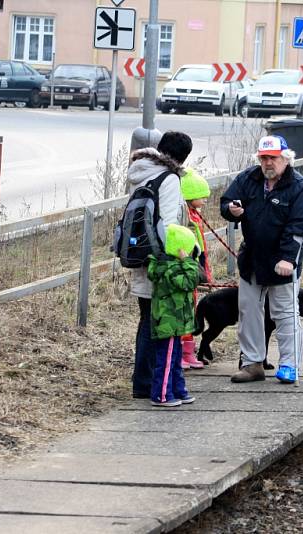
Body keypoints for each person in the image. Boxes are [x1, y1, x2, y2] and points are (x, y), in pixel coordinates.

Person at [220, 135, 303, 384]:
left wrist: (287, 259)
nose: (267, 163)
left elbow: (298, 227)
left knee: (284, 312)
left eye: (272, 158)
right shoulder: (248, 178)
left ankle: (289, 364)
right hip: (252, 257)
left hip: (283, 261)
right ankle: (252, 363)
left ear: (285, 158)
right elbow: (226, 202)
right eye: (263, 158)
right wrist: (231, 210)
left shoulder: (300, 187)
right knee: (248, 311)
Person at [126, 131, 193, 399]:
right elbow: (167, 224)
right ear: (183, 157)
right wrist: (177, 258)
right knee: (160, 324)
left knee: (146, 321)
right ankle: (151, 384)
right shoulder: (169, 179)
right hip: (160, 262)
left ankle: (143, 382)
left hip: (139, 253)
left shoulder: (142, 171)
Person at [147, 224, 201, 407]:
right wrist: (189, 262)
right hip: (169, 322)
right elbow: (190, 282)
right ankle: (161, 395)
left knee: (175, 358)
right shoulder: (172, 269)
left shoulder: (169, 266)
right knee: (167, 359)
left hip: (175, 323)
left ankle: (178, 389)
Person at [179, 169, 212, 369]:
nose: (205, 200)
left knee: (191, 310)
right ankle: (183, 352)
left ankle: (189, 352)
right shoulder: (188, 219)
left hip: (195, 266)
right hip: (188, 267)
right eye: (202, 197)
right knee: (185, 312)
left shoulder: (195, 217)